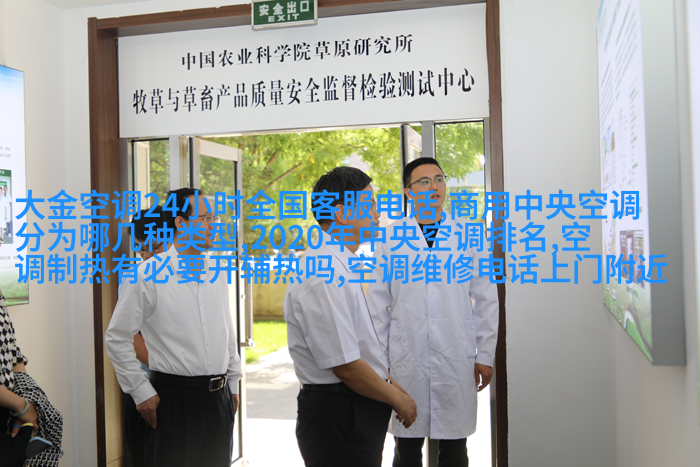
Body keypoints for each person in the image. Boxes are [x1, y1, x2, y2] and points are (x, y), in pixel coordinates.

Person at [367, 158, 499, 467]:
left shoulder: (469, 233)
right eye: (424, 181)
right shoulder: (390, 237)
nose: (434, 186)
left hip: (456, 356)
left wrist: (485, 355)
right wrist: (380, 362)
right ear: (408, 191)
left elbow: (486, 298)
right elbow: (377, 305)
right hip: (406, 359)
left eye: (439, 179)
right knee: (406, 450)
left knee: (455, 449)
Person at [284, 167, 417, 467]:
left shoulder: (342, 263)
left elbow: (360, 346)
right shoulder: (324, 272)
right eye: (370, 204)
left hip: (353, 404)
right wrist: (398, 400)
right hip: (339, 411)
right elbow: (345, 365)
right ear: (342, 214)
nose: (377, 212)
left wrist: (389, 385)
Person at [105, 188, 241, 467]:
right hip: (173, 400)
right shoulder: (147, 274)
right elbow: (117, 337)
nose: (212, 225)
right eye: (204, 218)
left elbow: (226, 331)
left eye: (214, 218)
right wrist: (140, 391)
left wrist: (234, 383)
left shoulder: (217, 272)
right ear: (180, 222)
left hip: (219, 399)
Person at [119, 206, 165, 467]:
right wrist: (167, 369)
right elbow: (128, 337)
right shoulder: (136, 278)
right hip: (148, 389)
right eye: (141, 249)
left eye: (154, 247)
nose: (147, 256)